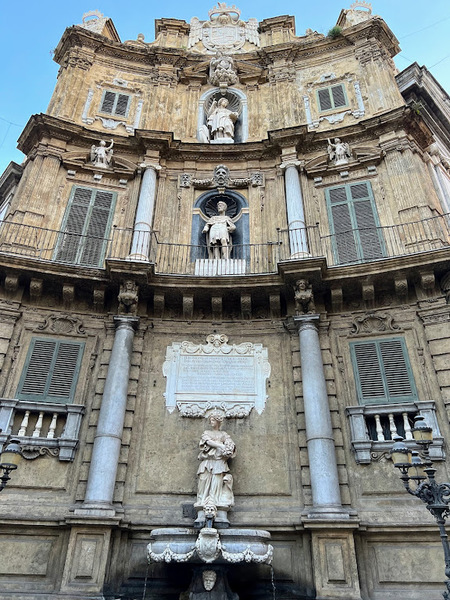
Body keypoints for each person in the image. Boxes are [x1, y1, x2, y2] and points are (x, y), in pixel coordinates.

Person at [195, 411, 236, 511]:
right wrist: (220, 445)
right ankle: (202, 502)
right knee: (203, 483)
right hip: (207, 462)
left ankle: (215, 503)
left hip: (219, 463)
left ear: (218, 421)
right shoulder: (206, 433)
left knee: (216, 484)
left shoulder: (223, 434)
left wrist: (229, 447)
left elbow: (230, 444)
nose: (211, 422)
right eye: (211, 420)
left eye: (213, 420)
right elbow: (208, 441)